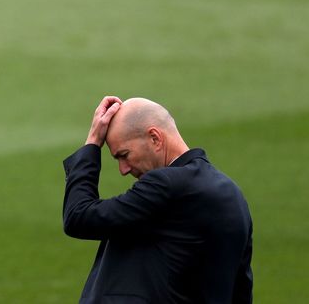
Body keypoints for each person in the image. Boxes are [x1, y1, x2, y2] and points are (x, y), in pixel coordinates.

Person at [62, 96, 253, 303]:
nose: (123, 170)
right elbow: (241, 287)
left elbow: (78, 216)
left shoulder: (166, 185)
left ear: (155, 138)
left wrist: (92, 142)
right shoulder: (233, 195)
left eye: (123, 155)